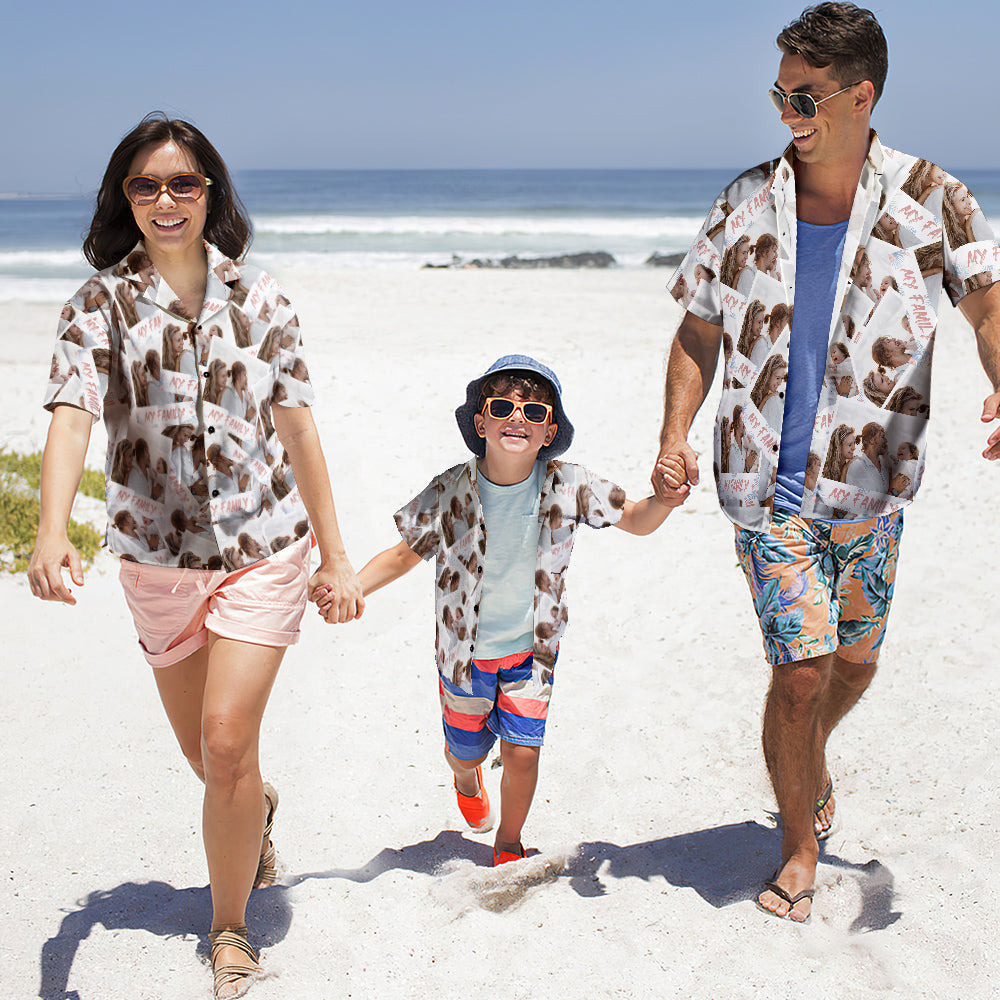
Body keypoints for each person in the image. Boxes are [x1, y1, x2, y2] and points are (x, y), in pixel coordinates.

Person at [652, 3, 1000, 922]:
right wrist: (673, 436)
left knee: (853, 665)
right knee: (799, 673)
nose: (784, 112)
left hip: (874, 487)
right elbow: (696, 328)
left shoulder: (935, 196)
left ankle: (802, 758)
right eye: (778, 92)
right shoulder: (742, 201)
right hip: (766, 486)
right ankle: (798, 844)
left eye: (802, 95)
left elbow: (989, 307)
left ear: (861, 94)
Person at [27, 113, 363, 999]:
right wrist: (49, 528)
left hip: (264, 549)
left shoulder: (266, 301)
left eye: (183, 183)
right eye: (145, 185)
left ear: (210, 192)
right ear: (123, 198)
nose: (166, 199)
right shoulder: (95, 306)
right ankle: (256, 813)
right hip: (155, 561)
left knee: (224, 742)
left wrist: (335, 558)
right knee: (214, 761)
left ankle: (228, 931)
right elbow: (68, 417)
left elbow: (299, 431)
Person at [316, 355, 681, 866]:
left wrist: (663, 500)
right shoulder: (449, 489)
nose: (519, 418)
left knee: (523, 751)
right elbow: (403, 554)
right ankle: (466, 777)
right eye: (504, 406)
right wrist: (352, 586)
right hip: (464, 656)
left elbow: (638, 519)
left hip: (531, 653)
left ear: (550, 430)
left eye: (535, 412)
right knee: (466, 753)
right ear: (481, 421)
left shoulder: (571, 483)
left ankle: (508, 840)